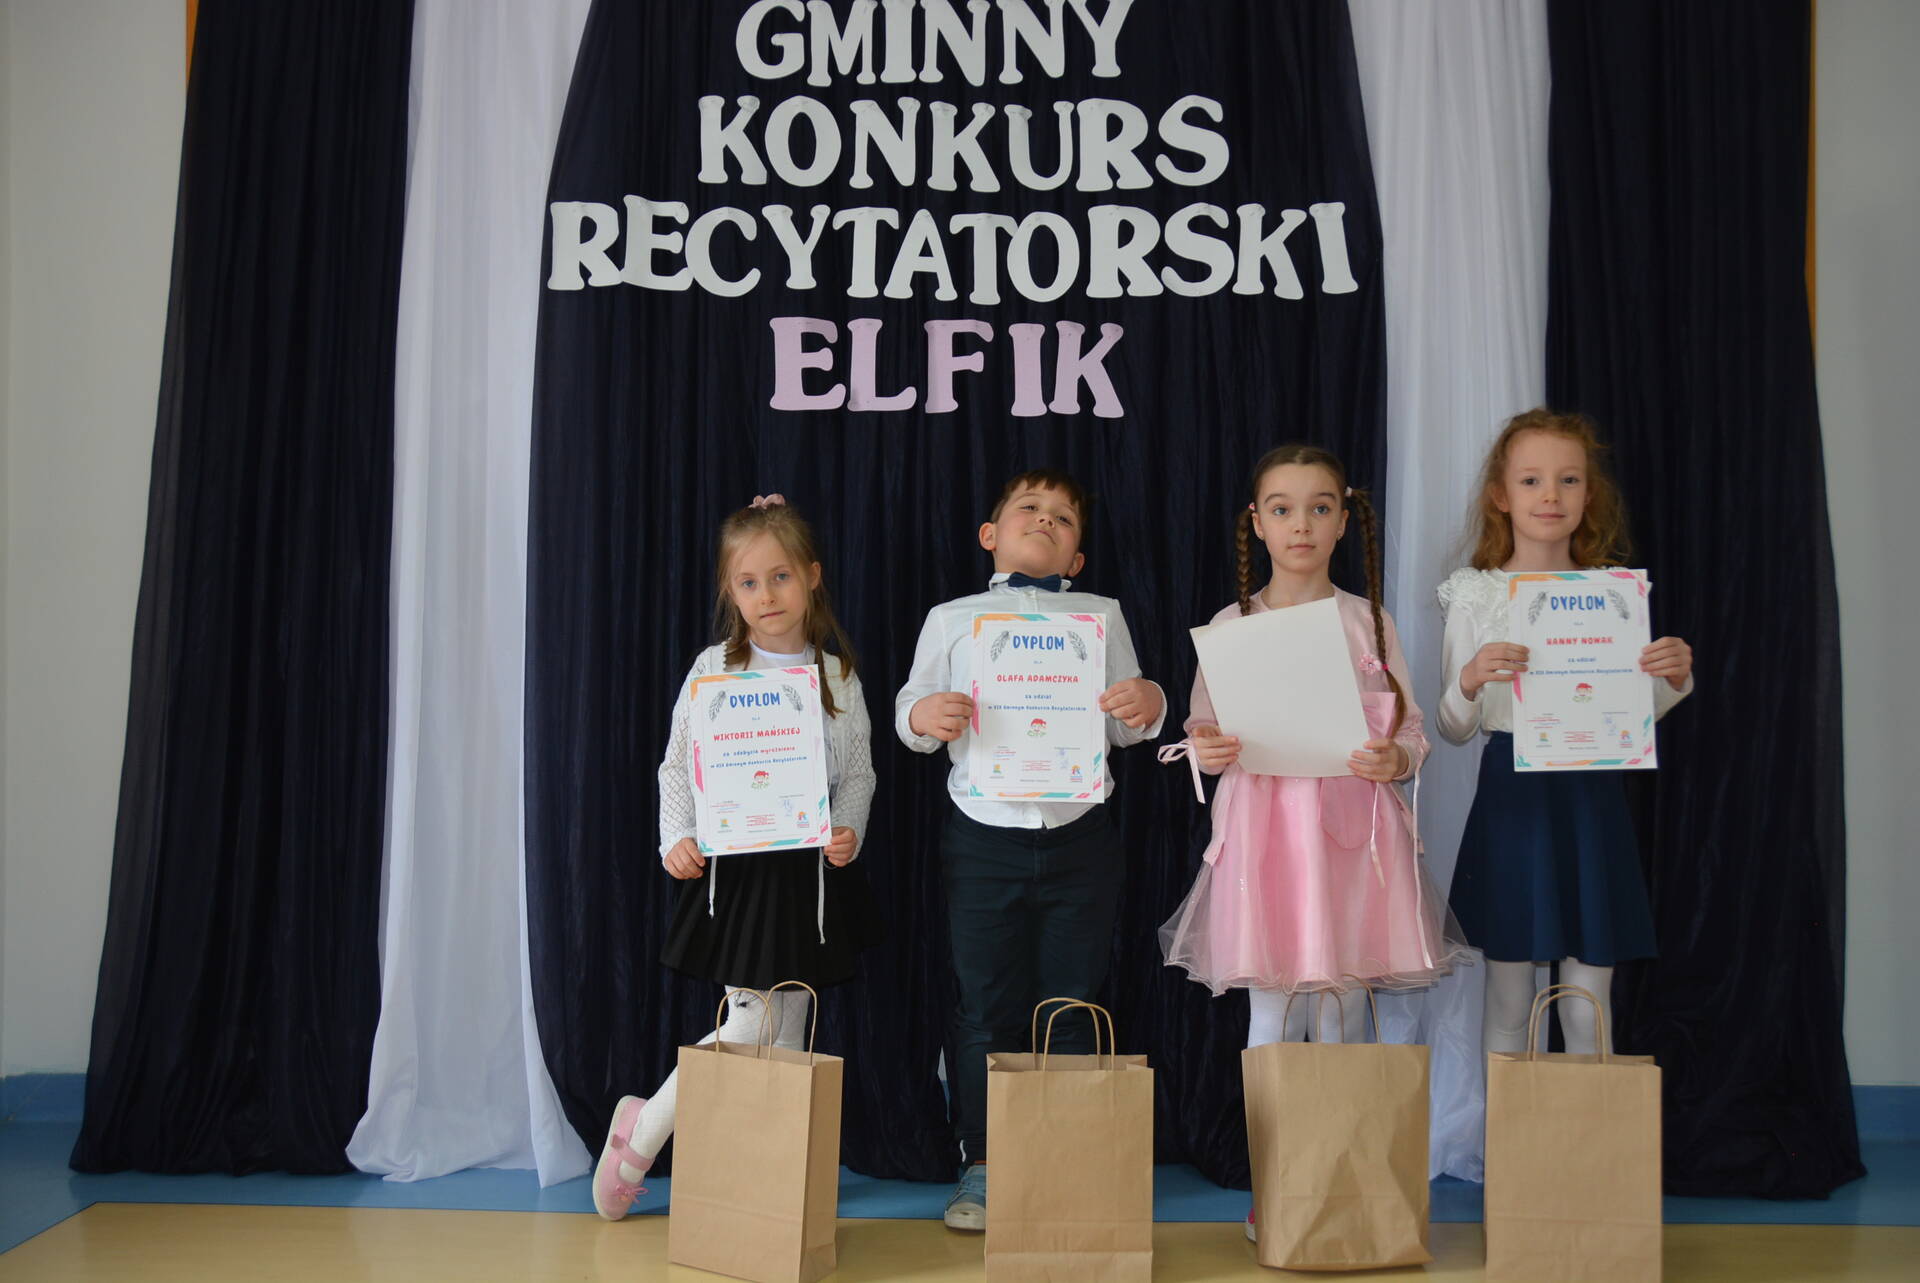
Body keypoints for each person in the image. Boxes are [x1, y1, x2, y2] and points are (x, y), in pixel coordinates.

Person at [592, 495, 877, 1221]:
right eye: (748, 582)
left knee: (787, 1030)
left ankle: (770, 1180)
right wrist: (675, 836)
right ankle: (641, 1135)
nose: (766, 594)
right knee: (751, 1020)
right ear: (730, 590)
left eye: (780, 576)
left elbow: (859, 773)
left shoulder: (838, 675)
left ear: (811, 576)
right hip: (740, 874)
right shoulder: (713, 667)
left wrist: (847, 828)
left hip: (807, 877)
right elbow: (677, 766)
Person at [895, 468, 1165, 1231]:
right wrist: (924, 714)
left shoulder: (1102, 615)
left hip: (1082, 838)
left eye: (1064, 517)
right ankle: (983, 1163)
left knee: (1073, 1002)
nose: (1046, 519)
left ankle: (1066, 1161)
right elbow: (908, 711)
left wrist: (1149, 703)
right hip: (982, 838)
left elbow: (1127, 723)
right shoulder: (951, 619)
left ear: (1077, 557)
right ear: (991, 534)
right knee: (986, 1007)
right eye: (1029, 508)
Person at [1436, 409, 1693, 1057]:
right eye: (1531, 480)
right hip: (1514, 800)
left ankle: (1587, 1127)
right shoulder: (1475, 596)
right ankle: (1508, 1128)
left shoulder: (1614, 595)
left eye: (1568, 479)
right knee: (1509, 999)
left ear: (1588, 494)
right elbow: (1454, 723)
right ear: (1501, 496)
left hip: (1590, 798)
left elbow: (1629, 714)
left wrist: (1672, 678)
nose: (1550, 495)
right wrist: (1470, 678)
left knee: (1587, 1000)